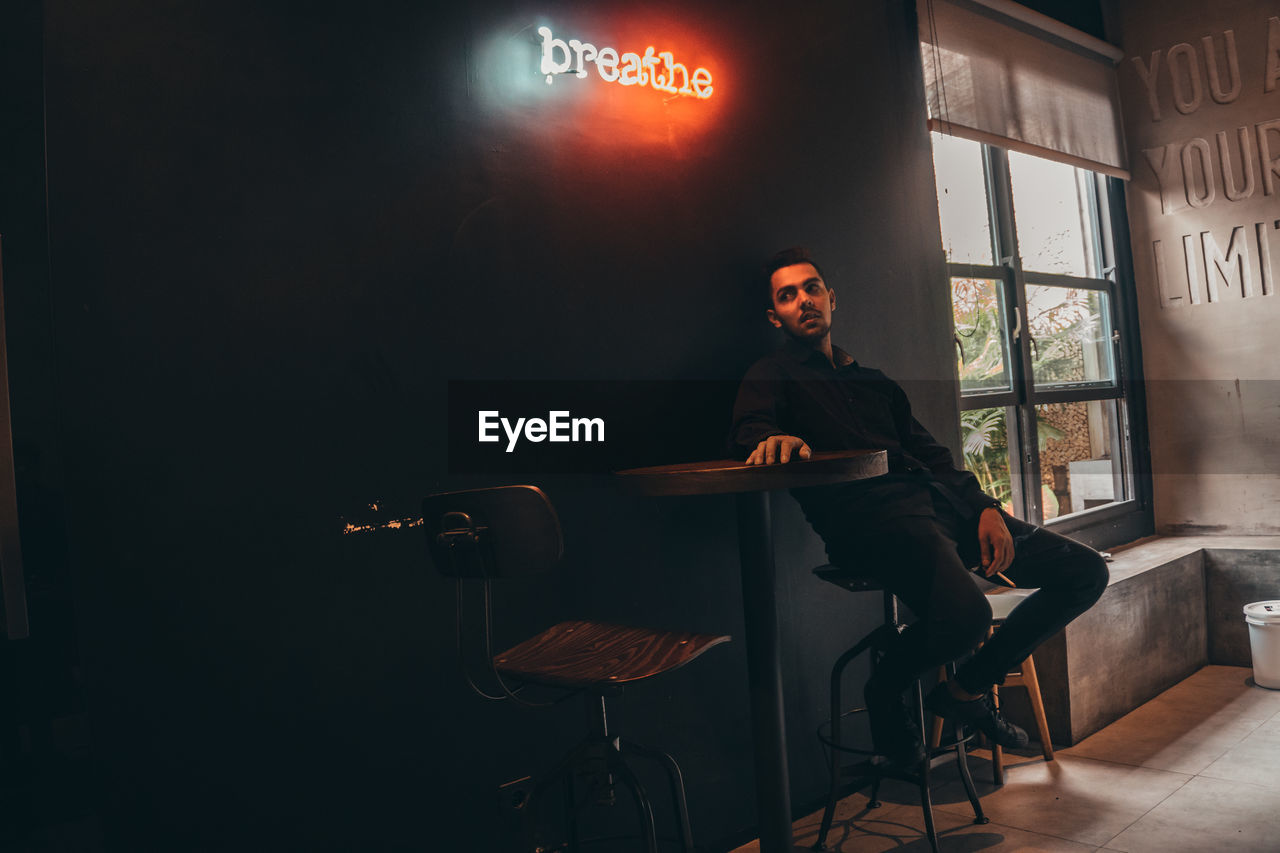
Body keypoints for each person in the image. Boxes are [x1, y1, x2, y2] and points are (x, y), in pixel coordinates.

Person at [729, 247, 1108, 769]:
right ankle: (886, 687)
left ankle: (968, 689)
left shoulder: (874, 381)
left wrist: (986, 508)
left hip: (944, 507)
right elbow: (751, 429)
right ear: (776, 316)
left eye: (811, 288)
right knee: (968, 619)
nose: (803, 301)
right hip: (873, 525)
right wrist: (775, 438)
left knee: (1085, 572)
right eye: (787, 296)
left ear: (831, 299)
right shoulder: (770, 373)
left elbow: (931, 455)